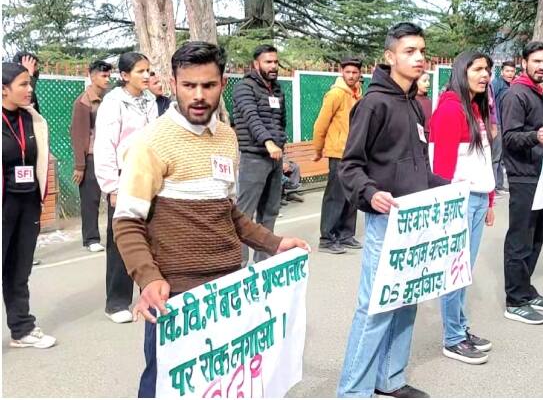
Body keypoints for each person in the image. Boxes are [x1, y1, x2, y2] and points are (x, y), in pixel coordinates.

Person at [111, 42, 310, 398]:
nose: (199, 95)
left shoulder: (227, 138)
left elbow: (228, 211)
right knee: (165, 384)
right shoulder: (150, 143)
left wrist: (274, 243)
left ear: (223, 84)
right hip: (176, 297)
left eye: (209, 85)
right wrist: (149, 277)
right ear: (174, 84)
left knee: (222, 382)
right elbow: (127, 222)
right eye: (189, 86)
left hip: (228, 291)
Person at [337, 22, 447, 398]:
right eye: (409, 51)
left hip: (416, 221)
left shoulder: (415, 105)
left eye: (422, 52)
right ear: (390, 57)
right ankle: (353, 390)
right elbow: (349, 165)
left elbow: (415, 168)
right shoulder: (373, 104)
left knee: (407, 300)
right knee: (376, 308)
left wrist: (448, 188)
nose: (419, 58)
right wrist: (370, 193)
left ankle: (390, 378)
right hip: (386, 221)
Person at [429, 50, 496, 365]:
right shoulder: (451, 111)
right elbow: (441, 169)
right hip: (460, 202)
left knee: (463, 272)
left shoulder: (474, 108)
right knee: (454, 272)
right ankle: (453, 338)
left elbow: (481, 160)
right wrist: (447, 210)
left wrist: (490, 200)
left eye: (488, 70)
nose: (485, 75)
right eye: (478, 69)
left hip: (478, 199)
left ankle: (460, 328)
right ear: (461, 71)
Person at [94, 52, 158, 324]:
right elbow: (105, 146)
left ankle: (151, 292)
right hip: (124, 177)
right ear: (125, 75)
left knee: (152, 235)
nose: (147, 76)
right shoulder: (113, 103)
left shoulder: (150, 100)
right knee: (121, 238)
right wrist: (112, 186)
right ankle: (117, 301)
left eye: (149, 70)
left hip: (149, 174)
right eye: (141, 71)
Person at [501, 41, 543, 325]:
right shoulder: (516, 94)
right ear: (524, 62)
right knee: (520, 238)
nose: (542, 67)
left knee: (536, 237)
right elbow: (510, 138)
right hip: (522, 174)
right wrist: (535, 137)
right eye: (536, 61)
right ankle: (514, 299)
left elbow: (542, 132)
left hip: (542, 173)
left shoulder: (539, 94)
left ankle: (526, 288)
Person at [2, 62, 56, 349]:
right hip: (3, 205)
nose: (29, 89)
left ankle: (22, 329)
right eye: (23, 84)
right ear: (3, 90)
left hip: (28, 203)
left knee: (19, 270)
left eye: (29, 83)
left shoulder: (33, 119)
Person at [233, 44, 287, 266]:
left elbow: (281, 123)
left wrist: (282, 148)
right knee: (245, 215)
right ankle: (239, 264)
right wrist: (268, 143)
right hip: (254, 157)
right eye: (268, 62)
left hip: (275, 157)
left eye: (275, 62)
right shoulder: (244, 87)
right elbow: (251, 117)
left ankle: (264, 263)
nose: (273, 66)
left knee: (270, 211)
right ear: (256, 64)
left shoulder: (278, 90)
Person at [312, 57, 363, 254]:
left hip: (355, 152)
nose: (351, 76)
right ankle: (327, 239)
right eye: (347, 72)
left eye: (354, 72)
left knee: (352, 195)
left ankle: (346, 235)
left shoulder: (358, 94)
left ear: (359, 74)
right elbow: (321, 124)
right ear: (342, 72)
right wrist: (318, 150)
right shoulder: (335, 94)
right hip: (338, 153)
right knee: (335, 196)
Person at [69, 59, 113, 252]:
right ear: (92, 75)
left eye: (108, 75)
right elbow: (78, 135)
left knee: (113, 195)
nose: (107, 79)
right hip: (91, 157)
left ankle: (115, 234)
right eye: (103, 76)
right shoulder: (83, 102)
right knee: (90, 199)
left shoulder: (109, 99)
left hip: (108, 154)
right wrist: (80, 166)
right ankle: (91, 238)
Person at [491, 61, 516, 193]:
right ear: (502, 72)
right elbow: (489, 102)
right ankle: (493, 187)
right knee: (495, 157)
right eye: (507, 71)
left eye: (512, 71)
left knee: (501, 157)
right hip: (498, 124)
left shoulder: (511, 85)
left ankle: (500, 184)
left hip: (507, 125)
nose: (510, 74)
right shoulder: (496, 84)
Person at [416, 72, 432, 137]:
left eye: (428, 81)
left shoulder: (429, 100)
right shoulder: (412, 101)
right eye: (424, 81)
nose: (428, 83)